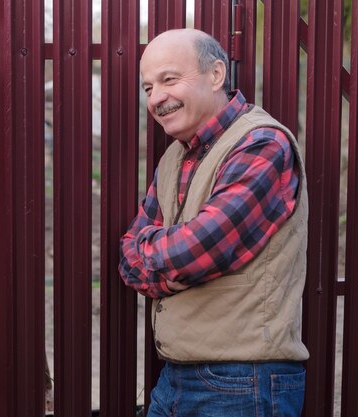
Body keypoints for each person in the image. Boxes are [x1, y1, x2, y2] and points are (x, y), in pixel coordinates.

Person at [119, 29, 308, 417]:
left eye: (170, 79)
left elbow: (198, 249)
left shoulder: (262, 143)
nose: (156, 98)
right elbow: (127, 257)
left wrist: (165, 264)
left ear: (217, 74)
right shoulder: (174, 156)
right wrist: (170, 264)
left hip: (244, 381)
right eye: (148, 87)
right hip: (175, 377)